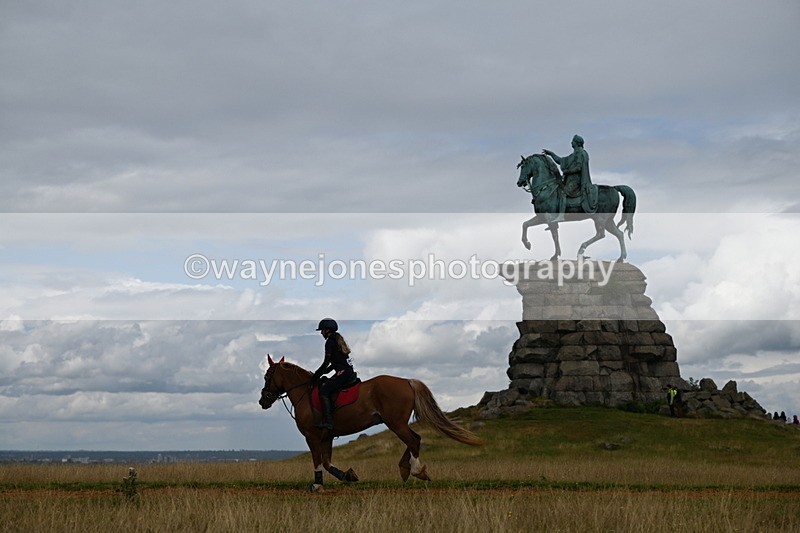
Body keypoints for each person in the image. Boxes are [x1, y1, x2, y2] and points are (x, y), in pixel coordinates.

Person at [313, 318, 357, 431]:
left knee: (324, 391)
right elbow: (336, 362)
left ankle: (328, 422)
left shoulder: (330, 342)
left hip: (343, 373)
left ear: (327, 330)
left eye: (322, 330)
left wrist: (315, 376)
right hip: (347, 371)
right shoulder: (337, 340)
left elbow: (326, 363)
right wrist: (324, 372)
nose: (321, 333)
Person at [542, 134, 598, 216]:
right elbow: (561, 160)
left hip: (576, 181)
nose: (571, 142)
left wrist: (567, 171)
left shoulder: (580, 153)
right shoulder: (574, 154)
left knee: (562, 192)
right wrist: (551, 154)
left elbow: (578, 168)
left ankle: (561, 216)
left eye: (573, 141)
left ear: (577, 143)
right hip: (570, 180)